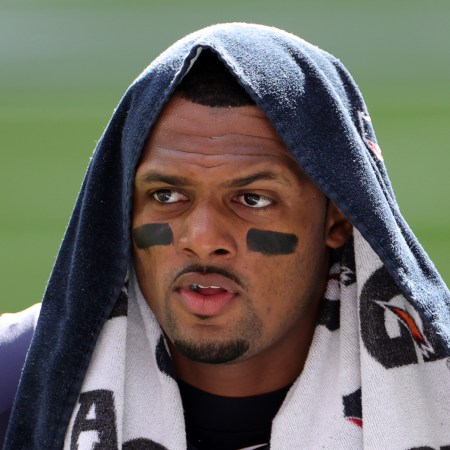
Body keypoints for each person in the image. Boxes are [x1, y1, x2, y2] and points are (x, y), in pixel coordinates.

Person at [1, 23, 449, 449]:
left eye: (252, 199)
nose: (202, 238)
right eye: (167, 194)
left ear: (338, 217)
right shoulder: (15, 377)